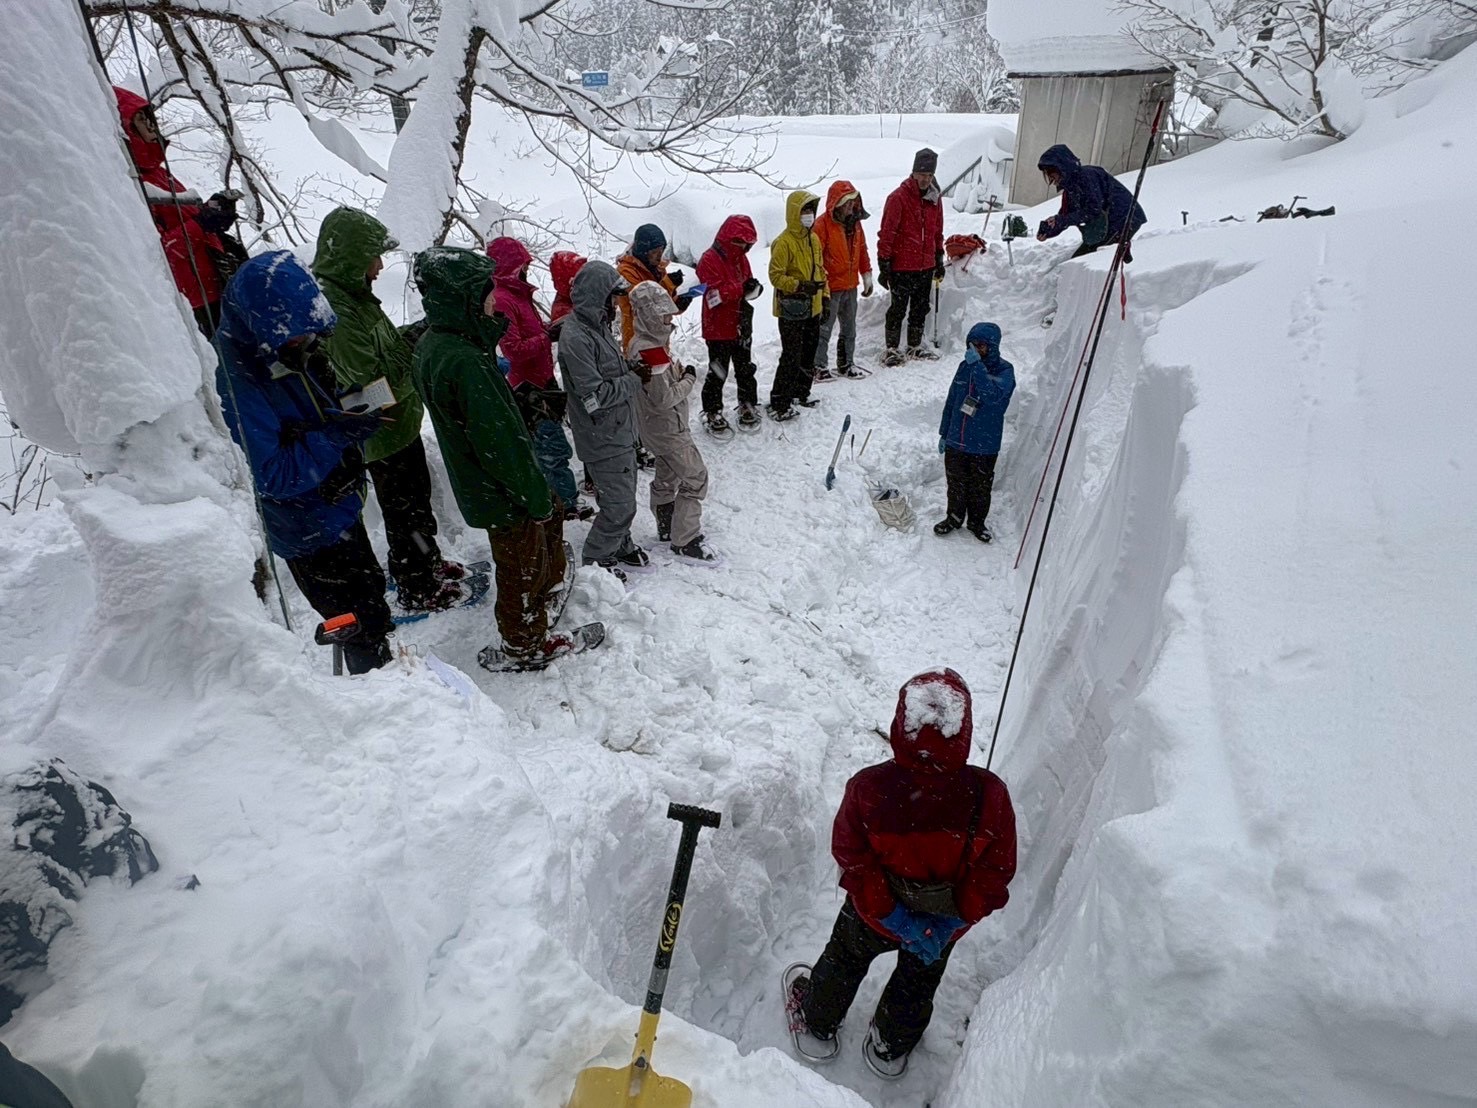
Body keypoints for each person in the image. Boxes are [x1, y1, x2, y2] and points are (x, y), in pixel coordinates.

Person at [787, 669, 1016, 1077]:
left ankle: (817, 1020)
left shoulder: (869, 788)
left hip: (875, 914)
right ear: (963, 731)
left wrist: (892, 915)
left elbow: (851, 854)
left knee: (844, 958)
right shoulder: (990, 794)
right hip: (943, 923)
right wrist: (950, 923)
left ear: (899, 724)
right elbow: (995, 873)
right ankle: (890, 1046)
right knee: (917, 980)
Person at [215, 252, 394, 674]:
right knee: (353, 623)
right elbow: (270, 475)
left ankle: (388, 669)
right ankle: (381, 695)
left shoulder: (281, 348)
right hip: (308, 528)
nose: (305, 343)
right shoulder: (236, 377)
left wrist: (344, 412)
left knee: (370, 599)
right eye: (297, 336)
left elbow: (300, 417)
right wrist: (335, 436)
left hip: (336, 508)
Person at [410, 247, 579, 669]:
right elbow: (500, 446)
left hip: (485, 481)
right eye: (486, 292)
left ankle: (545, 594)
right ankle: (524, 645)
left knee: (530, 548)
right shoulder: (464, 360)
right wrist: (536, 497)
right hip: (499, 489)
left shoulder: (441, 342)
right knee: (520, 562)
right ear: (463, 298)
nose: (493, 299)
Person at [311, 206, 466, 612]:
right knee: (405, 510)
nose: (380, 266)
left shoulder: (357, 297)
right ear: (352, 258)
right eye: (372, 257)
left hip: (399, 426)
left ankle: (425, 562)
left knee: (416, 501)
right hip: (380, 431)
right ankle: (417, 585)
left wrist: (408, 336)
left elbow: (381, 348)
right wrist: (412, 352)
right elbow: (368, 381)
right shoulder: (339, 309)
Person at [114, 87, 245, 337]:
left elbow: (189, 224)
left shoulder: (159, 174)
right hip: (195, 306)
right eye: (141, 120)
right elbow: (159, 253)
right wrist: (203, 224)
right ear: (126, 128)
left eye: (151, 119)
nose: (152, 127)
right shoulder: (129, 182)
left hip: (218, 287)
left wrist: (214, 213)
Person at [483, 236, 591, 522]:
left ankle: (560, 500)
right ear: (511, 267)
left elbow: (527, 334)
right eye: (523, 264)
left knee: (551, 446)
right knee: (551, 449)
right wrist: (547, 337)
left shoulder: (518, 295)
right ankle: (561, 504)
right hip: (529, 388)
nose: (527, 269)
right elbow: (514, 350)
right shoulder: (505, 299)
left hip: (541, 382)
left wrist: (547, 328)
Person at [558, 261, 650, 577]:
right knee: (621, 505)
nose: (615, 304)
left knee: (620, 494)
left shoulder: (597, 326)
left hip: (619, 431)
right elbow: (594, 398)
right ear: (598, 297)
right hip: (603, 436)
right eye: (612, 297)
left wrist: (631, 368)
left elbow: (610, 371)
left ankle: (619, 544)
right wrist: (634, 380)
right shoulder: (577, 338)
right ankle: (596, 559)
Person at [626, 281, 714, 561]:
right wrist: (688, 379)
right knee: (695, 476)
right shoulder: (651, 350)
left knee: (667, 475)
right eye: (664, 315)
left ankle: (666, 524)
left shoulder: (639, 343)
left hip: (653, 428)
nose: (669, 321)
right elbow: (663, 398)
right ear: (651, 315)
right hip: (668, 428)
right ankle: (685, 539)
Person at [935, 322, 1015, 543]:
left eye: (980, 345)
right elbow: (952, 400)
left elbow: (995, 400)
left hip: (984, 444)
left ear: (993, 346)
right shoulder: (964, 366)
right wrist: (944, 433)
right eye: (971, 345)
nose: (975, 350)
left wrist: (979, 368)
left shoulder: (1005, 371)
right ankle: (954, 518)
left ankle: (977, 522)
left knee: (980, 487)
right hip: (956, 440)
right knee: (955, 483)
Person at [695, 215, 764, 434]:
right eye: (741, 241)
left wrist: (754, 289)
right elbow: (712, 296)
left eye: (747, 243)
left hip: (741, 323)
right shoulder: (708, 259)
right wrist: (740, 289)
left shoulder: (741, 259)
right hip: (717, 327)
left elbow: (745, 289)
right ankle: (712, 410)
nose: (745, 246)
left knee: (745, 368)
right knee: (718, 371)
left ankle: (747, 402)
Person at [877, 148, 945, 366]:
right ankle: (891, 349)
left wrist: (939, 256)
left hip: (925, 265)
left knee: (920, 307)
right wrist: (883, 262)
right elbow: (887, 232)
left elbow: (937, 231)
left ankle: (914, 346)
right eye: (922, 174)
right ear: (913, 173)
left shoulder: (935, 198)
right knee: (897, 308)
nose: (926, 179)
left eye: (930, 175)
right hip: (902, 266)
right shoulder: (898, 198)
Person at [767, 190, 828, 422]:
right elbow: (775, 276)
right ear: (794, 212)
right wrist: (800, 286)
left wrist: (826, 296)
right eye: (804, 210)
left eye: (811, 210)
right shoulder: (783, 243)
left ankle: (800, 392)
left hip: (813, 307)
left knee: (808, 353)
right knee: (791, 355)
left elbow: (821, 270)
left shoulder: (813, 239)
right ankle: (779, 401)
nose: (809, 215)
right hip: (790, 309)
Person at [1035, 144, 1147, 262]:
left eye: (1051, 173)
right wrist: (1049, 229)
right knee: (1081, 260)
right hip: (1105, 225)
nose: (1051, 178)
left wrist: (1062, 220)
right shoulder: (1070, 189)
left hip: (1124, 218)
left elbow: (1092, 210)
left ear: (1062, 167)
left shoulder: (1088, 177)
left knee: (1087, 260)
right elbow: (1065, 215)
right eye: (1048, 175)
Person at [812, 181, 874, 380]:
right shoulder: (821, 225)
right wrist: (822, 285)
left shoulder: (855, 224)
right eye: (846, 203)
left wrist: (866, 275)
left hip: (850, 286)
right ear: (835, 203)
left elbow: (862, 250)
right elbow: (816, 258)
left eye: (852, 203)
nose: (849, 207)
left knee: (849, 329)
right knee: (824, 330)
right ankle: (818, 366)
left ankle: (846, 363)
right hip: (830, 288)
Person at [615, 224, 698, 351]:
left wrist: (677, 304)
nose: (659, 256)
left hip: (659, 336)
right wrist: (667, 284)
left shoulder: (657, 268)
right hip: (637, 339)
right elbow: (644, 305)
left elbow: (662, 306)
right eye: (654, 252)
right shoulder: (626, 272)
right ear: (643, 252)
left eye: (661, 250)